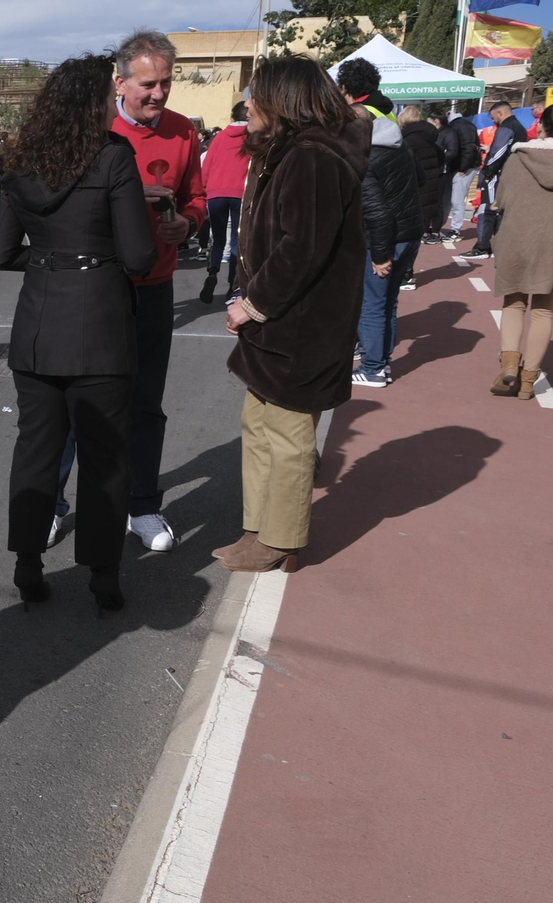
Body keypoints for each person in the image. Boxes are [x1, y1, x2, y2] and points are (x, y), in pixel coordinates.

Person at [0, 53, 158, 612]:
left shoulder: (22, 161)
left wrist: (50, 262)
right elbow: (139, 256)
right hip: (100, 327)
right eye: (110, 95)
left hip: (37, 326)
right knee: (105, 455)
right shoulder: (113, 156)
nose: (116, 102)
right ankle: (103, 575)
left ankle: (27, 563)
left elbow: (0, 252)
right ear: (93, 103)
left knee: (35, 450)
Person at [55, 30, 205, 553]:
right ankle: (52, 503)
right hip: (96, 287)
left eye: (166, 82)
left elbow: (196, 197)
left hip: (155, 286)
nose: (158, 93)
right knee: (75, 404)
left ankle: (141, 505)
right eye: (148, 84)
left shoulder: (184, 131)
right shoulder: (93, 129)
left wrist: (187, 224)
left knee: (145, 404)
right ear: (119, 83)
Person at [216, 53, 366, 573]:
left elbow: (301, 249)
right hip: (279, 321)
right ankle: (258, 528)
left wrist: (251, 305)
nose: (247, 104)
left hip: (302, 324)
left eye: (255, 95)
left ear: (282, 101)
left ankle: (281, 539)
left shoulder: (312, 157)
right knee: (259, 423)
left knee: (287, 432)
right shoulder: (286, 152)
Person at [348, 96, 422, 389]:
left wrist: (380, 255)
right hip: (409, 233)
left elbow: (376, 213)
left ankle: (373, 367)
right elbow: (421, 179)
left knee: (372, 304)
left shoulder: (365, 160)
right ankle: (382, 361)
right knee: (388, 302)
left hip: (385, 239)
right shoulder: (399, 146)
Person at [488, 105, 553, 399]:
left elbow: (501, 200)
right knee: (544, 310)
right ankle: (529, 380)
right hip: (550, 244)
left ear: (541, 127)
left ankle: (509, 364)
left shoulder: (519, 158)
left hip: (516, 238)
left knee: (514, 303)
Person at [463, 102, 530, 261]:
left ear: (500, 113)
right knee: (499, 211)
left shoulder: (506, 127)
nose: (493, 121)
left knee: (486, 210)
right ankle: (494, 245)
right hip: (510, 174)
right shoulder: (520, 128)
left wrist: (487, 173)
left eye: (493, 118)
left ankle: (482, 247)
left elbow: (498, 153)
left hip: (497, 174)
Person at [199, 102, 248, 303]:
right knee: (237, 240)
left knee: (218, 239)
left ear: (232, 116)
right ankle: (232, 286)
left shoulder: (218, 138)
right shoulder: (253, 137)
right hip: (240, 193)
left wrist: (203, 191)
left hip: (216, 193)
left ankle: (212, 272)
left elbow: (207, 167)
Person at [399, 105, 446, 248]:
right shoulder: (429, 137)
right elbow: (441, 157)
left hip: (415, 184)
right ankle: (429, 233)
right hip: (431, 181)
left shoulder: (408, 140)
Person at [440, 111, 482, 242]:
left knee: (457, 198)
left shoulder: (459, 126)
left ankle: (455, 230)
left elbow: (468, 147)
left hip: (465, 167)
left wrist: (463, 168)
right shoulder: (464, 125)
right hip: (464, 165)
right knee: (455, 198)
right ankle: (453, 228)